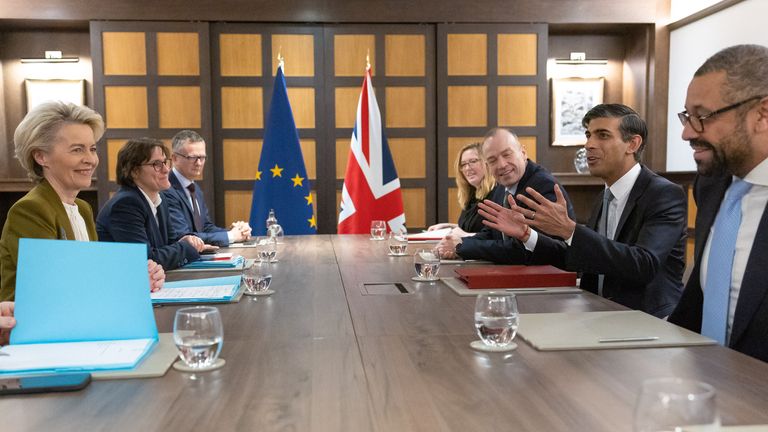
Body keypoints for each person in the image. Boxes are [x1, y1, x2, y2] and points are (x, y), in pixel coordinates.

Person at [479, 104, 686, 318]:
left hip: (648, 321)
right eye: (588, 135)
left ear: (632, 144)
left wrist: (570, 231)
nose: (589, 145)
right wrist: (527, 235)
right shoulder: (603, 197)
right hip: (599, 313)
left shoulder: (663, 194)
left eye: (602, 135)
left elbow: (644, 264)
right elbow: (580, 257)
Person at [0, 102, 164, 302]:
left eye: (92, 149)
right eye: (77, 150)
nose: (91, 159)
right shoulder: (30, 210)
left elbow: (90, 275)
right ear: (41, 156)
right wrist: (132, 282)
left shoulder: (83, 209)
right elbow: (54, 289)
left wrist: (141, 274)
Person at [668, 44, 768, 362]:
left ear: (762, 116)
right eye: (687, 116)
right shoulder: (711, 185)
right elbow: (701, 301)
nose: (686, 133)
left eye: (702, 116)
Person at [435, 128, 574, 263]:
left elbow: (523, 250)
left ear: (523, 152)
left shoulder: (542, 186)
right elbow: (491, 232)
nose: (501, 165)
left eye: (507, 154)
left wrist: (463, 247)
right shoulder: (502, 186)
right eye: (493, 160)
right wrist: (458, 243)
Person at [97, 137, 210, 270]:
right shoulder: (126, 204)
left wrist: (187, 240)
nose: (166, 170)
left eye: (165, 162)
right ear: (134, 171)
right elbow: (148, 260)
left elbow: (172, 242)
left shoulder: (159, 198)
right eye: (156, 164)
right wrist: (187, 247)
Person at [163, 130, 251, 246]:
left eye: (202, 157)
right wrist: (231, 236)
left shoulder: (195, 188)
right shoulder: (166, 189)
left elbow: (205, 227)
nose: (199, 163)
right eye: (192, 157)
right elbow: (183, 236)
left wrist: (237, 232)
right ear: (174, 158)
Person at [428, 142, 500, 233]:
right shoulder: (472, 196)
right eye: (463, 164)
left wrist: (463, 235)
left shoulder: (498, 194)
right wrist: (450, 227)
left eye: (473, 161)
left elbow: (493, 236)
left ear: (487, 163)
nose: (467, 168)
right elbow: (472, 228)